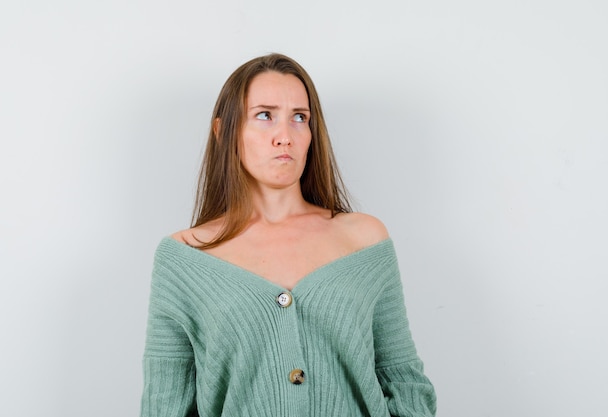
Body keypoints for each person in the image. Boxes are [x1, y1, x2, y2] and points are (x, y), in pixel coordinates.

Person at [141, 53, 436, 417]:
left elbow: (403, 381)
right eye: (264, 116)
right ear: (224, 131)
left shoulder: (364, 239)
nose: (285, 136)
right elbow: (164, 406)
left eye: (300, 117)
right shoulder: (184, 257)